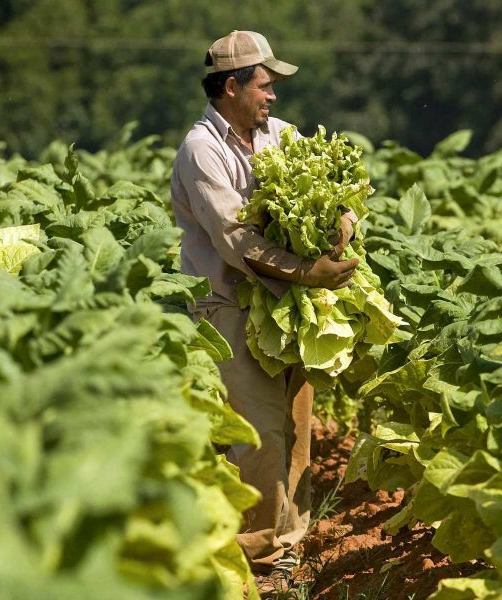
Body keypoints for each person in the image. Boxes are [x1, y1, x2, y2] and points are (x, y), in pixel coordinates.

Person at [170, 30, 358, 589]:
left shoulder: (280, 135)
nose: (273, 97)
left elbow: (331, 190)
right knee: (258, 434)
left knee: (297, 427)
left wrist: (343, 222)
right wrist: (310, 271)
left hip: (290, 304)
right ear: (232, 87)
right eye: (264, 86)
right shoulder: (201, 148)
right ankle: (257, 557)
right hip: (227, 304)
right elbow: (236, 242)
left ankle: (289, 549)